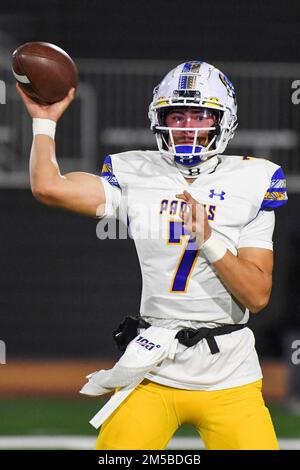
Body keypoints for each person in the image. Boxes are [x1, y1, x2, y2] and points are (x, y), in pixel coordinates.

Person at [17, 60, 287, 450]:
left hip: (230, 373)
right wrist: (44, 121)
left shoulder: (255, 179)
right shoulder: (136, 170)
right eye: (176, 115)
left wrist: (207, 239)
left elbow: (258, 295)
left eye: (199, 115)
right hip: (155, 366)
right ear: (160, 120)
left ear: (222, 121)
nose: (187, 127)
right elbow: (49, 187)